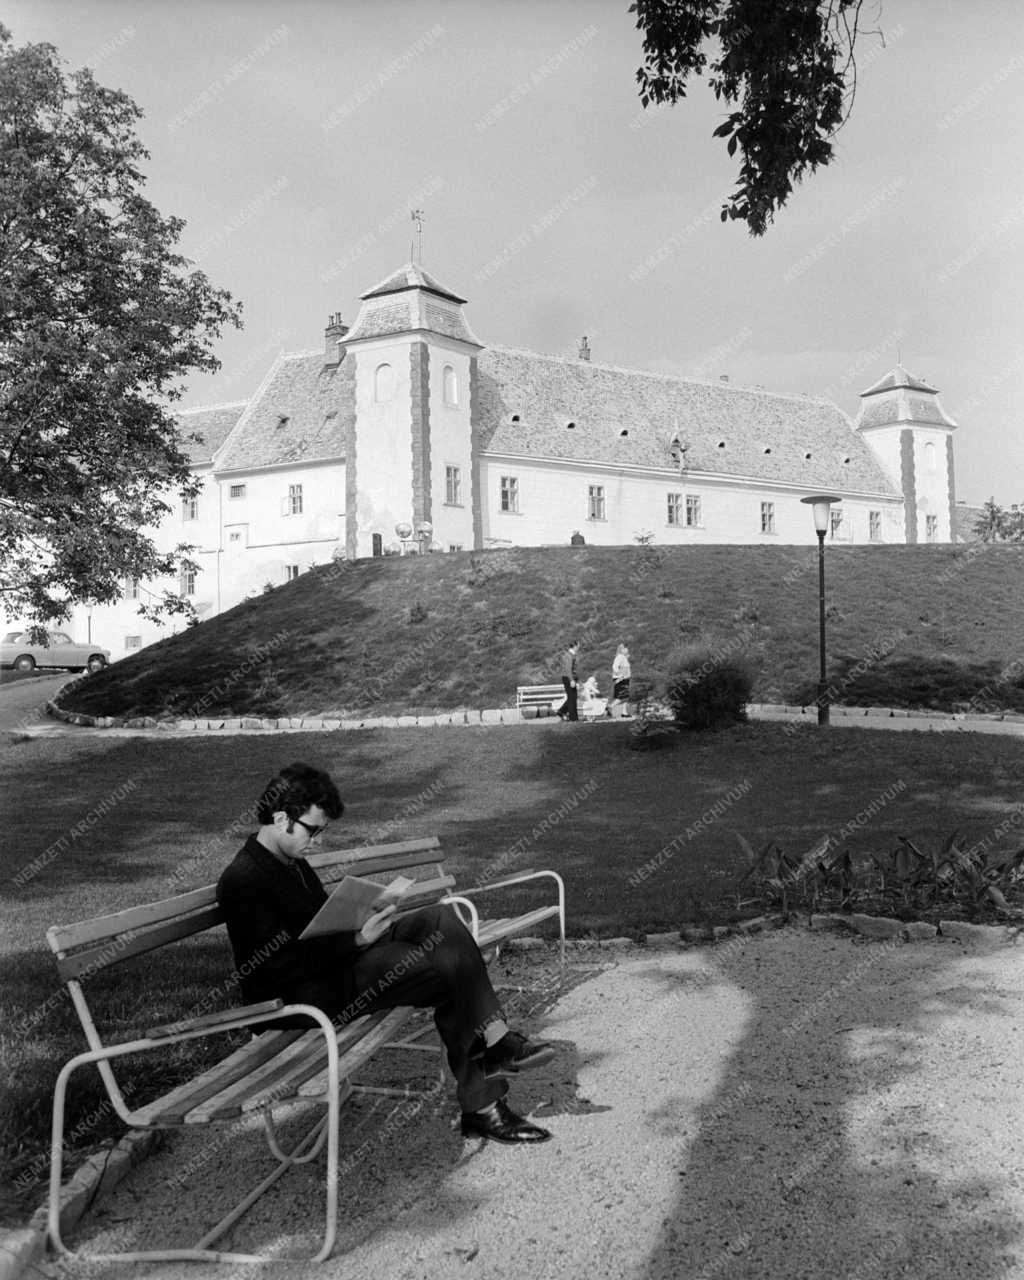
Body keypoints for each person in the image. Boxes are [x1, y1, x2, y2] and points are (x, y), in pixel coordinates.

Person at [216, 762, 555, 1144]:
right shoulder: (243, 880)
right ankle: (485, 1096)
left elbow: (318, 924)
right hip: (296, 999)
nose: (319, 841)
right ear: (281, 818)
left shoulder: (291, 861)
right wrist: (357, 940)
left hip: (334, 965)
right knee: (441, 969)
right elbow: (274, 969)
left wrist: (361, 914)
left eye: (322, 832)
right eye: (314, 831)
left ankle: (495, 1041)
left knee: (439, 919)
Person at [556, 640, 579, 721]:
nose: (579, 648)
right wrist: (572, 680)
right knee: (572, 698)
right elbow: (568, 669)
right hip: (568, 678)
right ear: (575, 646)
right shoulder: (569, 656)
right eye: (578, 646)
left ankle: (562, 711)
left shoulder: (571, 655)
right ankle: (573, 718)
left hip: (569, 677)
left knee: (572, 698)